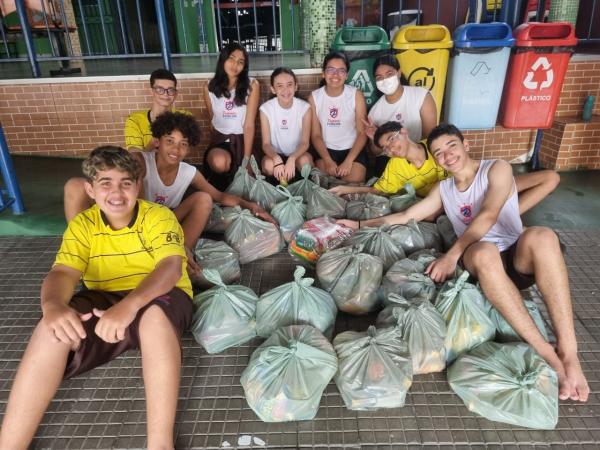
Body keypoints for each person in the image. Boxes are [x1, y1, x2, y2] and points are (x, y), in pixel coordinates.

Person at [339, 123, 589, 403]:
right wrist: (359, 223)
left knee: (543, 236)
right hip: (479, 259)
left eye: (451, 146)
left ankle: (568, 351)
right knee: (484, 251)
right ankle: (546, 352)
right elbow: (406, 215)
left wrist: (451, 255)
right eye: (439, 153)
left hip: (513, 255)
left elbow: (489, 214)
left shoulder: (496, 169)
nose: (447, 156)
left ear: (465, 144)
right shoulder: (444, 189)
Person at [0, 146, 194, 450]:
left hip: (162, 294)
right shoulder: (82, 225)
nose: (116, 192)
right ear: (90, 189)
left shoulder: (159, 216)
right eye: (106, 183)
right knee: (51, 329)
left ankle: (160, 443)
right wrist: (52, 306)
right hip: (103, 298)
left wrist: (129, 306)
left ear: (137, 186)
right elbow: (63, 273)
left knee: (154, 319)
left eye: (125, 183)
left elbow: (171, 268)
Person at [133, 111, 274, 276]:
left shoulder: (188, 172)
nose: (176, 149)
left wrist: (252, 206)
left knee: (204, 199)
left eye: (183, 144)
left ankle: (183, 253)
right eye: (170, 141)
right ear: (158, 142)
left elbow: (220, 197)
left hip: (168, 221)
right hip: (140, 226)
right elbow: (139, 213)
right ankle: (172, 254)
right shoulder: (140, 163)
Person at [332, 121, 560, 216]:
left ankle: (505, 214)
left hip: (476, 188)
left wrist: (510, 212)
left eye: (392, 140)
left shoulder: (435, 148)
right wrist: (346, 189)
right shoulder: (395, 166)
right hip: (445, 204)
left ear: (403, 132)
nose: (391, 148)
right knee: (429, 218)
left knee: (548, 178)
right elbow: (380, 190)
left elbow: (551, 178)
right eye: (385, 148)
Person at [63, 68, 190, 221]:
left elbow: (180, 151)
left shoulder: (185, 118)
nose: (165, 94)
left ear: (176, 93)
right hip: (142, 171)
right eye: (160, 89)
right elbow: (134, 155)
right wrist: (155, 142)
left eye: (170, 90)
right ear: (152, 91)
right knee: (75, 186)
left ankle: (140, 222)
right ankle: (81, 239)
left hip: (165, 173)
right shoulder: (135, 120)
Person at [365, 55, 437, 176]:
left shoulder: (421, 96)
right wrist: (375, 139)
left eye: (389, 74)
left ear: (398, 73)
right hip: (390, 160)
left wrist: (412, 157)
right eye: (379, 77)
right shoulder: (375, 112)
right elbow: (375, 153)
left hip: (419, 156)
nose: (385, 80)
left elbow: (430, 138)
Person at [202, 43, 260, 190]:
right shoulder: (209, 86)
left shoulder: (252, 85)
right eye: (231, 58)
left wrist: (246, 159)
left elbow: (249, 125)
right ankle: (219, 191)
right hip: (221, 139)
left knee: (250, 175)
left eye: (241, 62)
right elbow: (213, 119)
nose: (235, 64)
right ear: (223, 59)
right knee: (219, 162)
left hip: (243, 140)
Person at [309, 51, 368, 183]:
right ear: (323, 73)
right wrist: (328, 161)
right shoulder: (314, 97)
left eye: (341, 70)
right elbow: (316, 135)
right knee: (324, 188)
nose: (335, 75)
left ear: (346, 75)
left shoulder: (356, 95)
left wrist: (348, 161)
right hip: (326, 151)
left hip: (353, 150)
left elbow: (362, 133)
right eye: (331, 70)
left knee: (351, 190)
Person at [259, 67, 313, 183]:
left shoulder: (305, 108)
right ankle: (275, 190)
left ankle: (299, 188)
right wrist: (276, 158)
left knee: (305, 163)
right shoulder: (266, 109)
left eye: (289, 85)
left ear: (296, 86)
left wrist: (292, 158)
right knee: (269, 165)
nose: (286, 90)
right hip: (275, 154)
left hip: (297, 154)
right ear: (273, 89)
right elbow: (266, 144)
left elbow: (305, 143)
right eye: (280, 86)